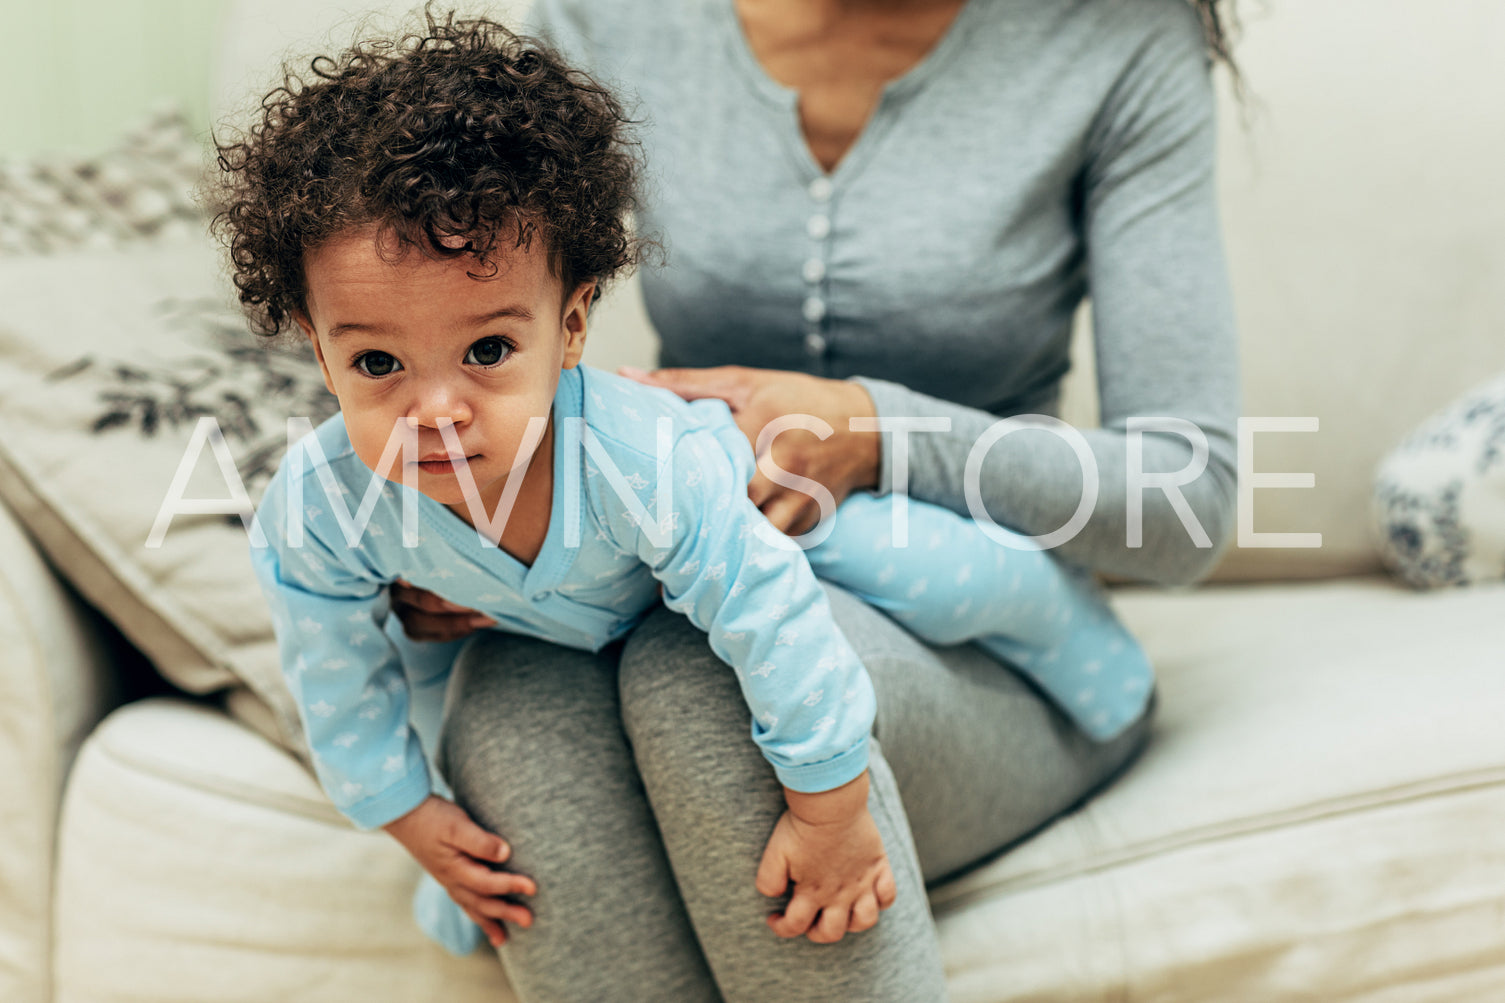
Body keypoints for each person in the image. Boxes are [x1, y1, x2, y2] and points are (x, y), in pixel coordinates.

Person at [206, 2, 1159, 977]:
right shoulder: (322, 502)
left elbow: (771, 614)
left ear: (570, 330)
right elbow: (328, 655)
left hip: (756, 502)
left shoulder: (641, 461)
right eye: (375, 363)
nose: (434, 408)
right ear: (316, 349)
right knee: (505, 706)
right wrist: (405, 809)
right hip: (593, 613)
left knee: (906, 570)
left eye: (488, 350)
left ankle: (1080, 658)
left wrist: (830, 813)